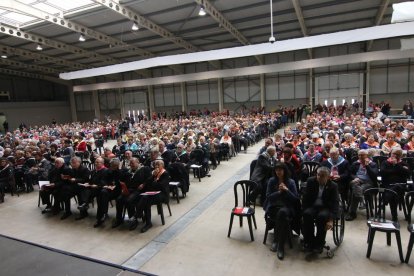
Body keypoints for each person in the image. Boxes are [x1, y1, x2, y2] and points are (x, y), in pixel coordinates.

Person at [263, 162, 300, 260]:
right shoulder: (271, 181)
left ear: (284, 171)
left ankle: (278, 243)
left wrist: (287, 190)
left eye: (280, 170)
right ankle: (280, 246)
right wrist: (279, 192)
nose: (278, 172)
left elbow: (295, 199)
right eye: (276, 170)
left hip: (287, 207)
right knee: (282, 216)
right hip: (274, 207)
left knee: (282, 213)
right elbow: (268, 197)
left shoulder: (291, 182)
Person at [302, 166, 339, 253]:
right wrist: (303, 212)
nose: (319, 177)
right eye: (318, 175)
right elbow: (305, 198)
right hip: (313, 206)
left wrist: (331, 220)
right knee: (307, 214)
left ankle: (320, 243)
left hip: (325, 207)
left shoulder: (333, 186)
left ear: (328, 177)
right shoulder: (311, 181)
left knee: (321, 217)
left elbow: (335, 203)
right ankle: (309, 241)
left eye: (322, 176)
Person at [129, 159, 170, 233]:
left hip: (162, 194)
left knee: (145, 198)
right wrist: (153, 176)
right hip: (152, 193)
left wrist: (153, 183)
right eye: (155, 165)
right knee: (145, 199)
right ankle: (148, 222)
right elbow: (147, 183)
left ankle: (137, 215)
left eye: (158, 165)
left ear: (162, 166)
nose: (156, 166)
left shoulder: (165, 173)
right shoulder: (153, 173)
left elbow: (161, 186)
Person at [112, 158, 151, 229]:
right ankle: (119, 219)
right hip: (129, 190)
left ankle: (133, 220)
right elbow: (121, 179)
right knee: (119, 199)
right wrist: (120, 170)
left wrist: (143, 184)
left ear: (138, 162)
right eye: (130, 163)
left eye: (133, 163)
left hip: (139, 191)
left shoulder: (145, 169)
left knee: (129, 200)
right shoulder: (128, 171)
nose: (131, 165)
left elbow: (149, 178)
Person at [346, 150, 378, 221]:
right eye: (359, 155)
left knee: (356, 191)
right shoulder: (355, 163)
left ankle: (352, 213)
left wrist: (367, 166)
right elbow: (349, 174)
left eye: (362, 155)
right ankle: (361, 201)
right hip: (357, 181)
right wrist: (355, 178)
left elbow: (374, 176)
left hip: (368, 183)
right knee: (355, 185)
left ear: (367, 156)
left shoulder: (372, 164)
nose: (360, 157)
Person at [380, 148, 410, 221]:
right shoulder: (385, 162)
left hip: (400, 185)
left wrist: (396, 165)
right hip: (387, 184)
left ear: (400, 156)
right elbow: (383, 173)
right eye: (393, 153)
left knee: (395, 188)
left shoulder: (403, 163)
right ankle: (394, 216)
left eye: (397, 154)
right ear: (390, 153)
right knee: (393, 193)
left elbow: (407, 174)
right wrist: (398, 170)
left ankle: (385, 200)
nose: (394, 155)